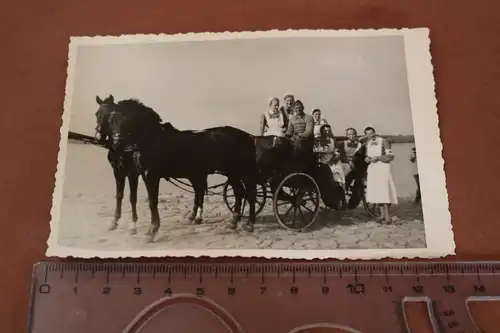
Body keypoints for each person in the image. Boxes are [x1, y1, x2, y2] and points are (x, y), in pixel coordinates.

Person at [363, 126, 398, 223]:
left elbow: (390, 156)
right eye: (368, 134)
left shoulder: (384, 141)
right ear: (366, 135)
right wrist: (367, 159)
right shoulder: (367, 144)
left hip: (383, 168)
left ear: (375, 132)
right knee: (377, 191)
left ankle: (387, 217)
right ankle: (382, 216)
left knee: (384, 191)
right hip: (373, 169)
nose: (371, 135)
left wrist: (378, 158)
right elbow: (368, 156)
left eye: (372, 133)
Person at [285, 100, 314, 169]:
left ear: (303, 108)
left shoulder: (309, 117)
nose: (298, 109)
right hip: (295, 140)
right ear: (294, 109)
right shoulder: (292, 119)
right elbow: (289, 132)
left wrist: (299, 136)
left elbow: (308, 132)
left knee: (298, 142)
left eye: (300, 107)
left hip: (306, 141)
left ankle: (297, 163)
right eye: (296, 108)